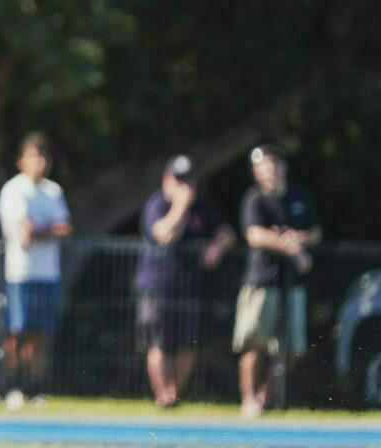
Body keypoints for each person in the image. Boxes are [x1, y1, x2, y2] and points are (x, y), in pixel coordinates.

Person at [135, 155, 236, 408]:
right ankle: (163, 395)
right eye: (179, 180)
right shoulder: (156, 204)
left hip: (188, 286)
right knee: (158, 343)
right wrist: (180, 206)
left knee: (186, 344)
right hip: (157, 285)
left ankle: (174, 394)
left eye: (188, 180)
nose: (184, 185)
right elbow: (164, 235)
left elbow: (227, 233)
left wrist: (217, 246)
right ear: (166, 180)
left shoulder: (202, 207)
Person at [233, 144, 321, 418]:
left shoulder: (299, 197)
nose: (270, 171)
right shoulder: (254, 199)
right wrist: (292, 249)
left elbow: (315, 232)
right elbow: (254, 235)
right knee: (254, 346)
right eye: (264, 167)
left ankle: (264, 397)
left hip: (291, 285)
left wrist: (300, 239)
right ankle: (248, 402)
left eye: (274, 165)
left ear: (282, 167)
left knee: (292, 350)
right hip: (261, 283)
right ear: (256, 172)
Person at [0, 132, 72, 410]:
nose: (39, 163)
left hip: (47, 273)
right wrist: (45, 230)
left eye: (43, 157)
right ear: (21, 161)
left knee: (40, 335)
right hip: (20, 272)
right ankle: (11, 387)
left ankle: (35, 388)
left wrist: (41, 231)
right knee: (17, 332)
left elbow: (64, 228)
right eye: (33, 157)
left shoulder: (53, 191)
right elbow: (23, 231)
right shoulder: (13, 190)